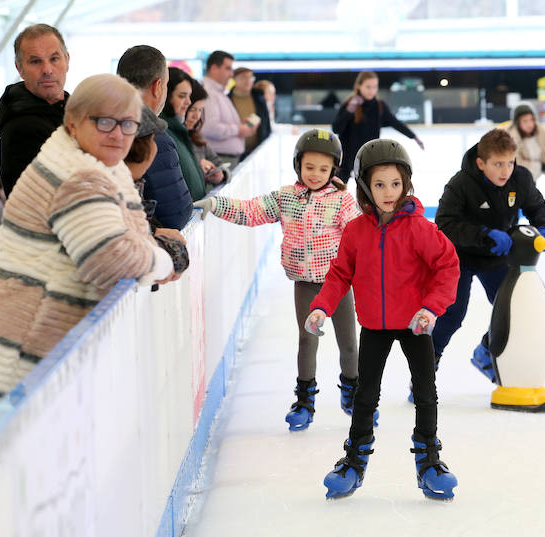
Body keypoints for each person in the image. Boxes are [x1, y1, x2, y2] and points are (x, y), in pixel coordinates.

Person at [0, 74, 175, 409]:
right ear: (72, 123)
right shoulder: (79, 175)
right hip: (30, 352)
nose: (118, 133)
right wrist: (167, 258)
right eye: (104, 121)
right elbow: (112, 257)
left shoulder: (88, 160)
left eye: (128, 124)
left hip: (30, 343)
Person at [305, 139, 460, 500]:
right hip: (374, 325)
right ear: (365, 187)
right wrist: (321, 306)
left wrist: (431, 308)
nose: (389, 192)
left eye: (395, 183)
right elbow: (339, 275)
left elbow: (448, 267)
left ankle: (429, 460)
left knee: (425, 391)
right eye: (379, 185)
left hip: (415, 325)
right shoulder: (357, 232)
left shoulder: (420, 229)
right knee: (365, 394)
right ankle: (354, 459)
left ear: (406, 183)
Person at [193, 129, 362, 432]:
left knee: (348, 344)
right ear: (299, 165)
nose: (315, 174)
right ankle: (305, 401)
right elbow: (251, 211)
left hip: (338, 285)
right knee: (307, 340)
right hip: (306, 285)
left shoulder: (342, 201)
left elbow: (361, 238)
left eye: (323, 169)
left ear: (334, 169)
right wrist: (216, 205)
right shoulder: (286, 198)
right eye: (309, 167)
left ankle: (353, 395)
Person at [433, 128, 545, 382]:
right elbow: (444, 224)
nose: (505, 170)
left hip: (497, 255)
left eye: (510, 162)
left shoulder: (520, 179)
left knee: (516, 309)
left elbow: (537, 206)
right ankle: (424, 372)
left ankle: (485, 352)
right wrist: (484, 234)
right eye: (498, 164)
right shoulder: (461, 184)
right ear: (481, 163)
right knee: (452, 317)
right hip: (458, 258)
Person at [117, 45, 193, 230]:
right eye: (166, 85)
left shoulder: (100, 127)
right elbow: (175, 215)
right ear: (158, 86)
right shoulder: (155, 140)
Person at [0, 24, 70, 197]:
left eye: (54, 59)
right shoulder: (20, 129)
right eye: (35, 61)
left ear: (67, 60)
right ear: (19, 69)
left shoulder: (75, 110)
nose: (47, 70)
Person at [124, 104, 190, 277]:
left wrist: (153, 234)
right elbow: (122, 246)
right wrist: (161, 250)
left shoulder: (129, 185)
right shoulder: (109, 190)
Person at [331, 71, 424, 183]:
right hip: (346, 160)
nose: (371, 90)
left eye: (374, 87)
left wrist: (413, 136)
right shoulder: (350, 104)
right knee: (337, 191)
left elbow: (395, 122)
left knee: (368, 192)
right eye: (368, 87)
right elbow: (336, 128)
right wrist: (349, 110)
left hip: (369, 158)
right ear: (359, 86)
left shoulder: (379, 106)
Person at [161, 67, 207, 201]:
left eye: (189, 96)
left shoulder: (178, 131)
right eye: (182, 96)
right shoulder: (164, 133)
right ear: (166, 95)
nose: (188, 102)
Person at [200, 50, 246, 167]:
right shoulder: (208, 93)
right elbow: (210, 128)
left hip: (225, 159)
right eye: (228, 68)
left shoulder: (218, 92)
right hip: (219, 160)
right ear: (214, 68)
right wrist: (238, 129)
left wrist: (241, 127)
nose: (231, 74)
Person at [186, 78, 229, 188]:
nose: (196, 116)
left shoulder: (197, 138)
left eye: (200, 110)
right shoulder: (170, 139)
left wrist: (221, 175)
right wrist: (197, 167)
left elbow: (220, 165)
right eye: (192, 109)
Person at [507, 103, 545, 181]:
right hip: (519, 178)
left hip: (533, 176)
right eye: (525, 121)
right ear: (517, 123)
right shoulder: (512, 138)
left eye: (531, 120)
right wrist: (539, 167)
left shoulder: (537, 129)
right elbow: (516, 162)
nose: (530, 124)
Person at [230, 67, 271, 157]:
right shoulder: (228, 99)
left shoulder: (259, 96)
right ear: (234, 79)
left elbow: (267, 123)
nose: (248, 80)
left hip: (259, 150)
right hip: (236, 151)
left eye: (250, 77)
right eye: (244, 77)